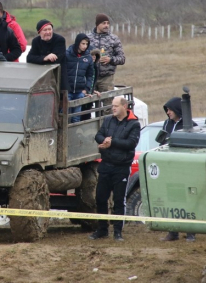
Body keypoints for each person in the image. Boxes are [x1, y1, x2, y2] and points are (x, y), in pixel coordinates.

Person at [89, 97, 140, 242]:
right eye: (112, 106)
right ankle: (102, 229)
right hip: (106, 165)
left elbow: (131, 143)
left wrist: (111, 142)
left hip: (122, 167)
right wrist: (103, 141)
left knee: (119, 200)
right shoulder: (108, 120)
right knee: (100, 198)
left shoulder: (134, 124)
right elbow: (98, 135)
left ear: (124, 106)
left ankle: (118, 232)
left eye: (116, 106)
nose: (113, 108)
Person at [160, 96, 197, 242]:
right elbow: (162, 141)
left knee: (187, 201)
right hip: (168, 167)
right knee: (171, 200)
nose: (168, 112)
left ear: (176, 109)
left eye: (169, 109)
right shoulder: (167, 124)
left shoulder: (189, 124)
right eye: (167, 110)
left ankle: (191, 232)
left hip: (184, 168)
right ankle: (172, 232)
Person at [86, 14, 125, 114]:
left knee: (109, 106)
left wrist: (110, 59)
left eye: (108, 23)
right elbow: (80, 56)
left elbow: (122, 58)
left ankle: (107, 127)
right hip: (91, 77)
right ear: (97, 25)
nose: (106, 25)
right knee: (87, 105)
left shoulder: (114, 39)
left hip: (107, 78)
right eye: (103, 23)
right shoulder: (87, 39)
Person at [27, 19, 68, 90]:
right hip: (41, 79)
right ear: (39, 32)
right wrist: (44, 58)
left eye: (50, 29)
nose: (48, 32)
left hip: (57, 78)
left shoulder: (59, 40)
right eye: (45, 30)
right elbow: (29, 58)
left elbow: (56, 59)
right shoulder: (36, 41)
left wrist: (39, 60)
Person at [66, 33, 94, 123]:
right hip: (68, 91)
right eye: (83, 43)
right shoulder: (67, 54)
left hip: (79, 91)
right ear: (78, 43)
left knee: (76, 118)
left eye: (86, 44)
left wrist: (86, 89)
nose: (85, 46)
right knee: (65, 116)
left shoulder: (88, 57)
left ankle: (74, 136)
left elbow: (90, 75)